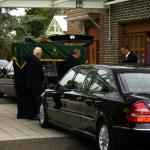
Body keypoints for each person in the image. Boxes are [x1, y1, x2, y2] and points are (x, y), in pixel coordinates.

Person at [26, 47, 44, 120]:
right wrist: (42, 79)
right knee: (36, 100)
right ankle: (34, 115)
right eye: (41, 53)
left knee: (30, 100)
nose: (41, 55)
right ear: (37, 53)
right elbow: (40, 74)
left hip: (29, 84)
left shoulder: (29, 60)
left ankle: (30, 115)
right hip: (36, 85)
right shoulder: (37, 61)